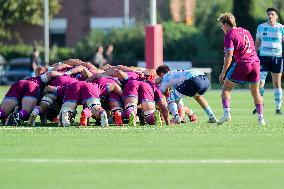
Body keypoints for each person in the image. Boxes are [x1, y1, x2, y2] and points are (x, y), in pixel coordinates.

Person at [217, 13, 265, 125]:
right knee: (256, 92)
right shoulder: (245, 31)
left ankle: (226, 114)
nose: (222, 28)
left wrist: (223, 72)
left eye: (221, 25)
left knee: (226, 89)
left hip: (243, 63)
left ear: (225, 24)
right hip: (255, 63)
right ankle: (261, 118)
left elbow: (229, 55)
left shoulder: (229, 35)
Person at [253, 7, 284, 115]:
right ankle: (260, 104)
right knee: (260, 82)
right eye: (268, 14)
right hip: (263, 58)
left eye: (272, 14)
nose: (270, 16)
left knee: (277, 83)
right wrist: (253, 55)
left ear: (276, 16)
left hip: (277, 58)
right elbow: (257, 43)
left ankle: (278, 108)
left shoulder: (281, 28)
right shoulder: (261, 27)